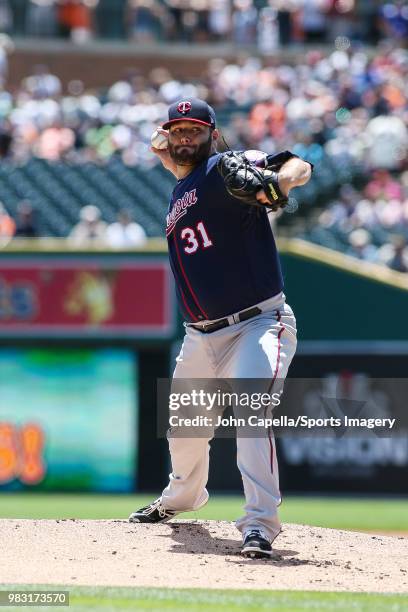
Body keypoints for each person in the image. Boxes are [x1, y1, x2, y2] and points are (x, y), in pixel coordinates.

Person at [128, 98, 312, 558]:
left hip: (257, 323)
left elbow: (298, 166)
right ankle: (183, 497)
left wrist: (276, 181)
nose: (184, 136)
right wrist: (163, 145)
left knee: (252, 414)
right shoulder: (183, 184)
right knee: (185, 428)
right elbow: (169, 154)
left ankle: (260, 525)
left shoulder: (225, 165)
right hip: (200, 335)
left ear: (213, 132)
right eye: (177, 130)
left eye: (194, 129)